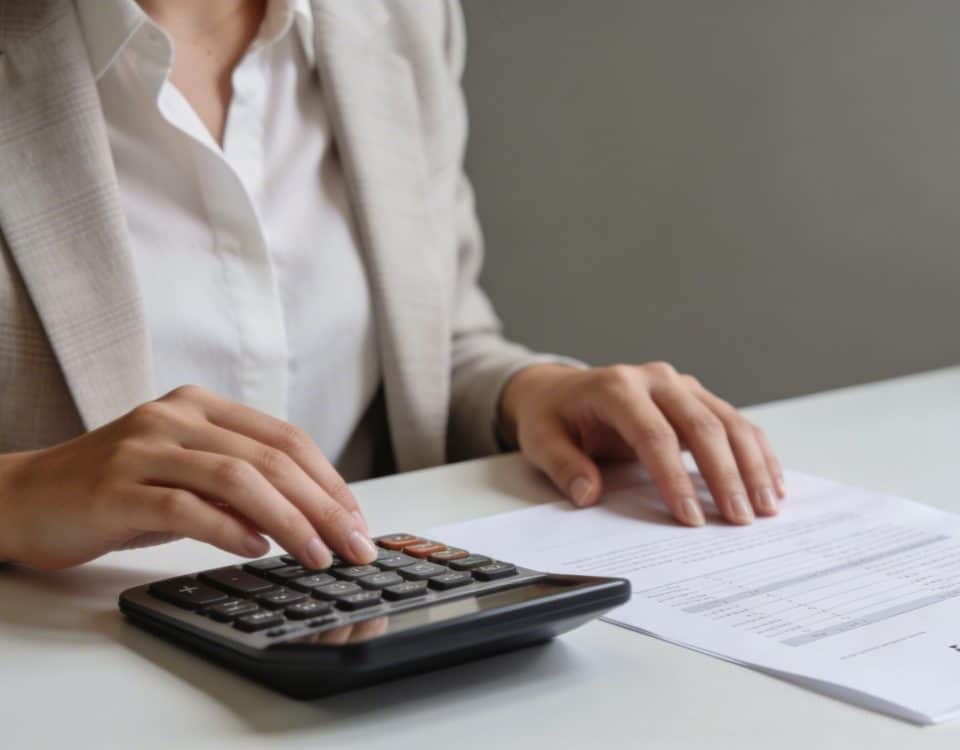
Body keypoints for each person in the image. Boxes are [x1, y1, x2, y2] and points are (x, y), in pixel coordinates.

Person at [0, 0, 785, 572]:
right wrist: (21, 491)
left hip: (356, 633)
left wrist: (530, 394)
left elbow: (439, 346)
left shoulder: (398, 19)